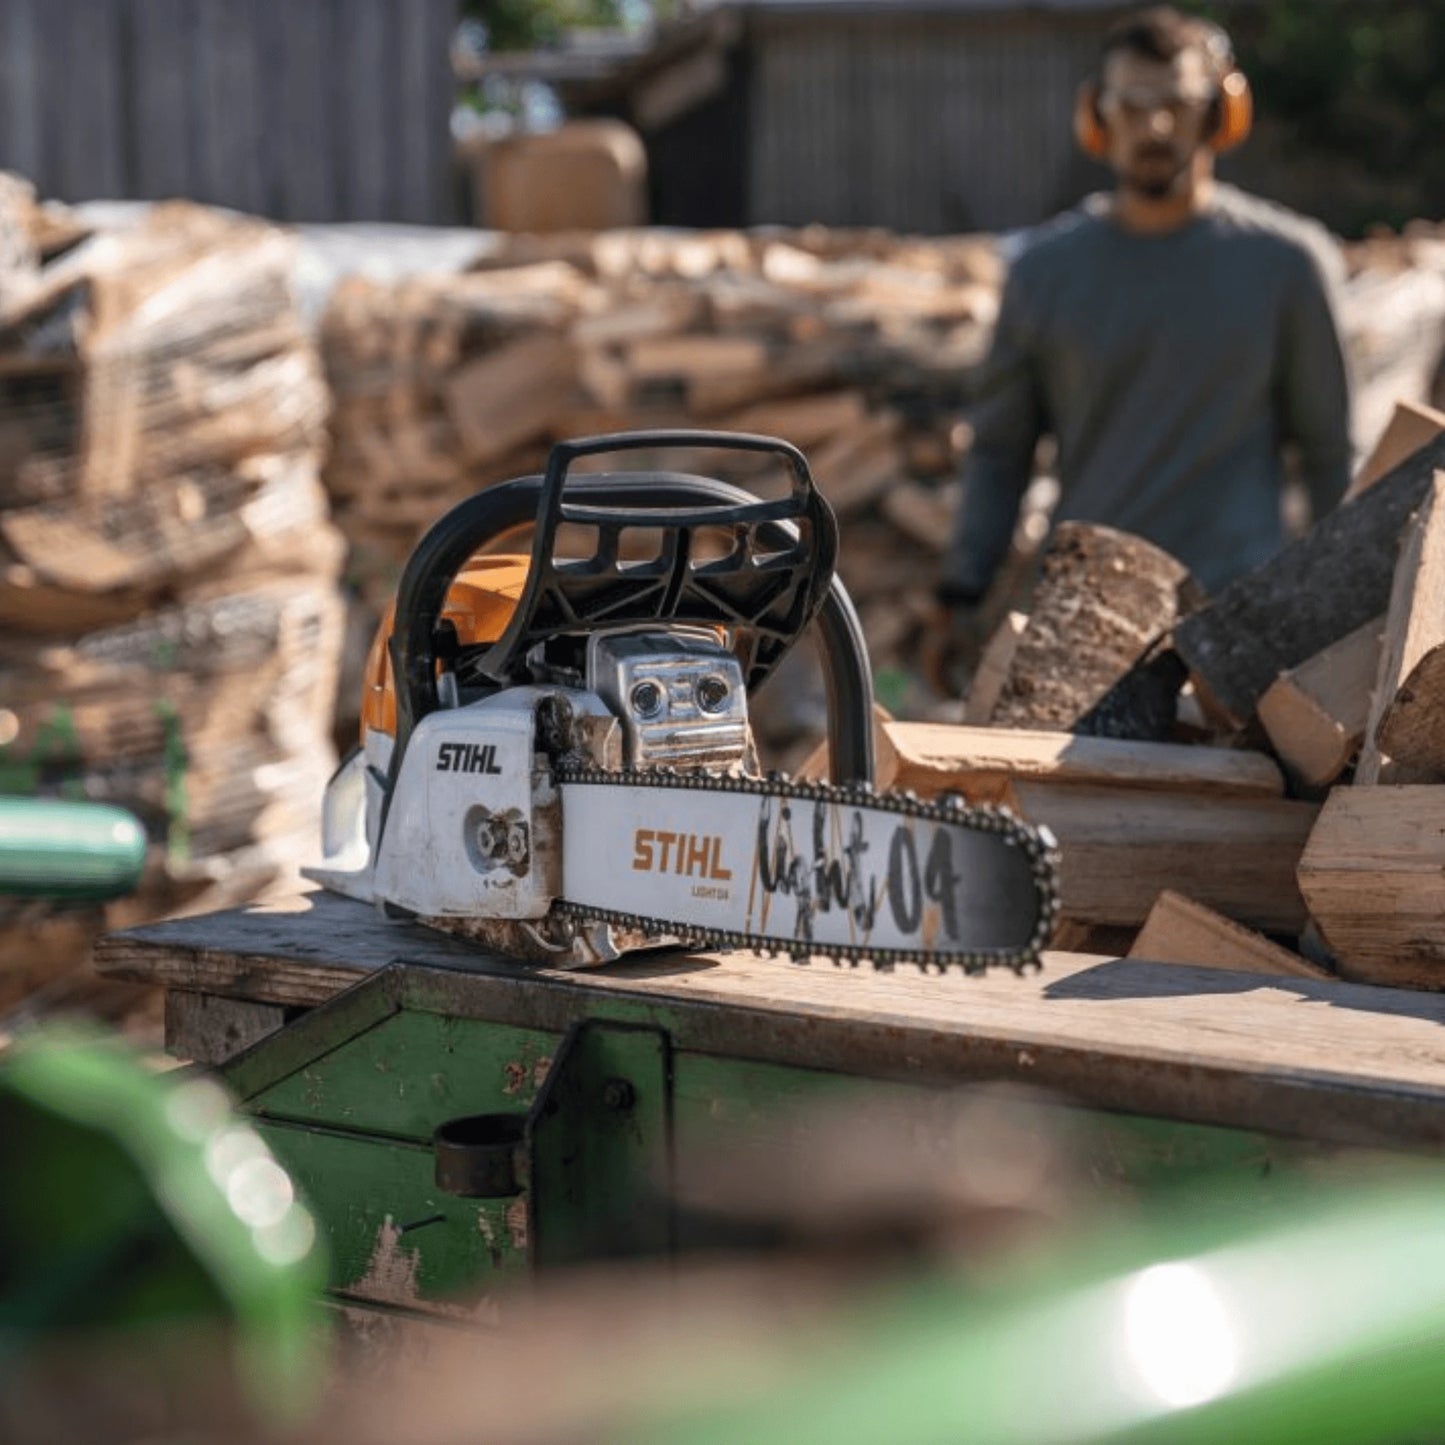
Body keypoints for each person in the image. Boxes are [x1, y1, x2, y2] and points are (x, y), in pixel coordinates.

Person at [932, 6, 1352, 689]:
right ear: (1096, 117)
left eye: (1176, 105)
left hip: (1236, 627)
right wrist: (961, 588)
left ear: (1219, 114)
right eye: (1131, 105)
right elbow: (998, 453)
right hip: (1083, 625)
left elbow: (1330, 453)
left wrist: (1343, 615)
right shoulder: (1044, 274)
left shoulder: (1286, 266)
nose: (1153, 127)